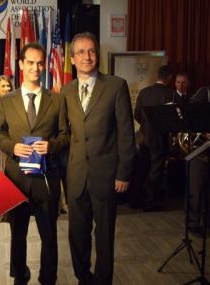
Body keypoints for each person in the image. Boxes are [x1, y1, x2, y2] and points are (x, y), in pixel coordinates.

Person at [62, 32, 135, 285]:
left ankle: (103, 281)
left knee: (104, 236)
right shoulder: (66, 91)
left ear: (98, 55)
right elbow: (65, 135)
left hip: (106, 176)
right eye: (80, 52)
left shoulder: (116, 85)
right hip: (77, 178)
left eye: (91, 51)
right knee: (77, 235)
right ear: (72, 59)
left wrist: (123, 173)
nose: (87, 56)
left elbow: (126, 134)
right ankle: (84, 278)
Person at [0, 42, 69, 285]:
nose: (35, 68)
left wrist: (52, 146)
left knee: (49, 236)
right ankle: (20, 275)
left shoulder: (56, 100)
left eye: (39, 63)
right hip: (16, 181)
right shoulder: (7, 101)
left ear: (44, 65)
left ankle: (48, 278)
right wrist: (13, 147)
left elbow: (65, 135)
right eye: (30, 63)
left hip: (46, 180)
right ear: (20, 65)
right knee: (18, 235)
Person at [134, 65, 175, 212]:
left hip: (143, 137)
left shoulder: (144, 92)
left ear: (158, 76)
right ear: (169, 77)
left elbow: (137, 114)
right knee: (155, 170)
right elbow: (174, 118)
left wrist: (145, 126)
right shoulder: (170, 94)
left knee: (142, 169)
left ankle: (136, 199)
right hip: (159, 138)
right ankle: (150, 202)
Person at [187, 86, 210, 237]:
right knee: (196, 188)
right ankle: (193, 223)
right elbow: (190, 114)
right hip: (200, 150)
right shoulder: (204, 93)